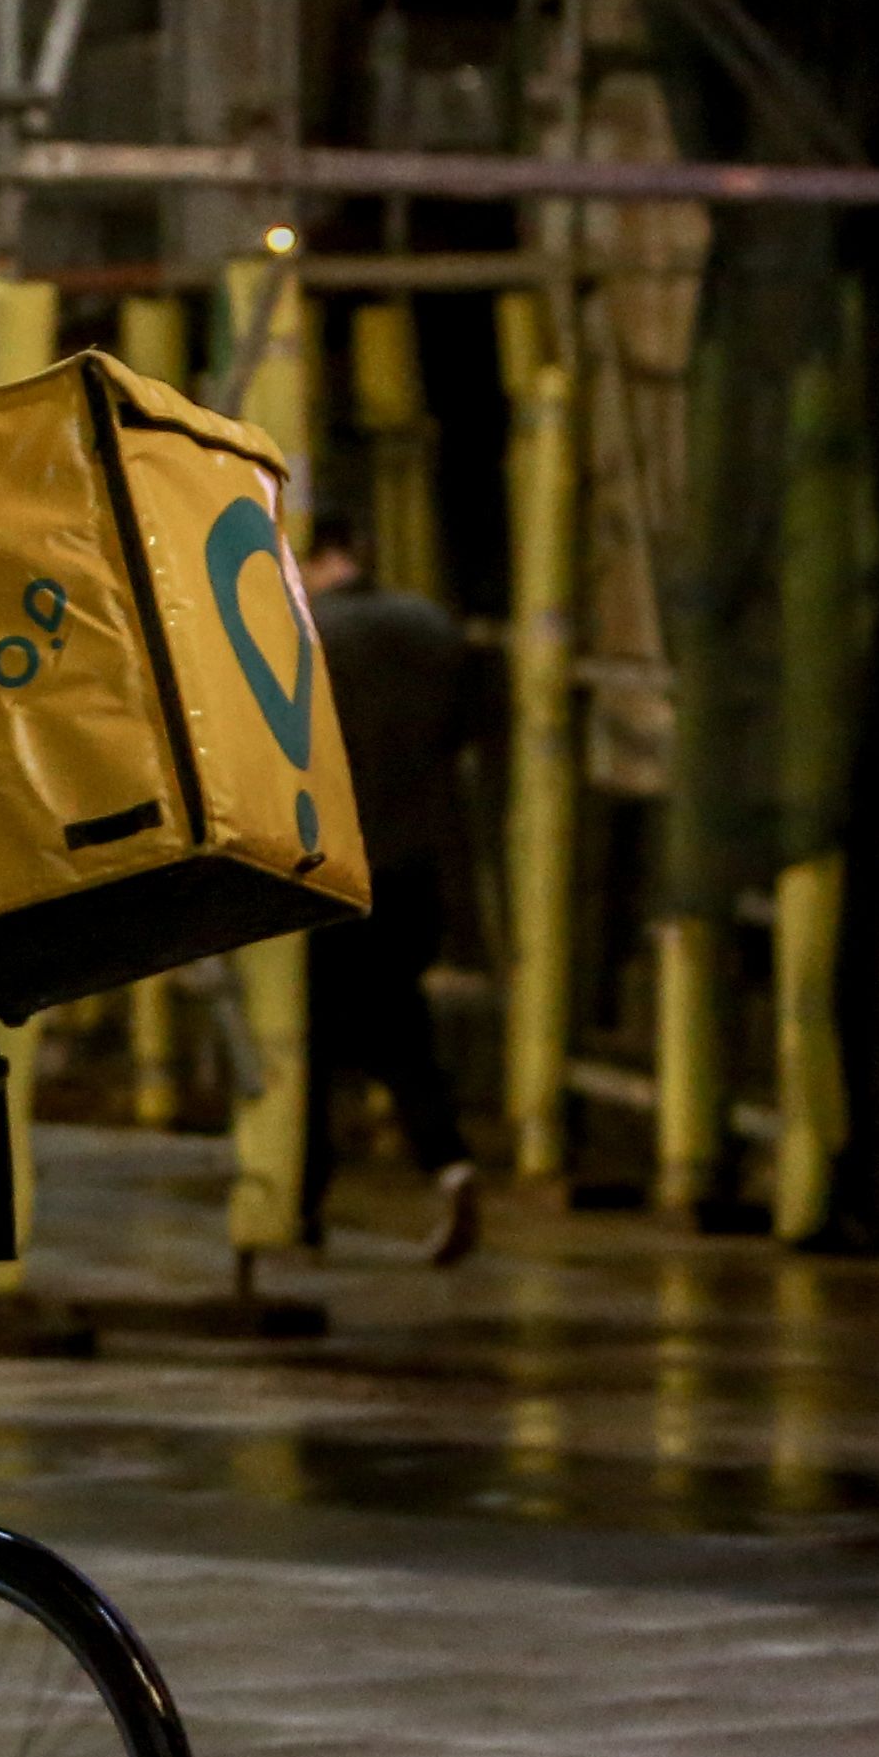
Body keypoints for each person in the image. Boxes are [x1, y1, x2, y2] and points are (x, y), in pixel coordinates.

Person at [298, 514, 481, 1265]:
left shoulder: (305, 635)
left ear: (312, 557)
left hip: (323, 867)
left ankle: (297, 1196)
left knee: (302, 1039)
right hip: (413, 869)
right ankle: (450, 1162)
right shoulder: (433, 631)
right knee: (401, 1028)